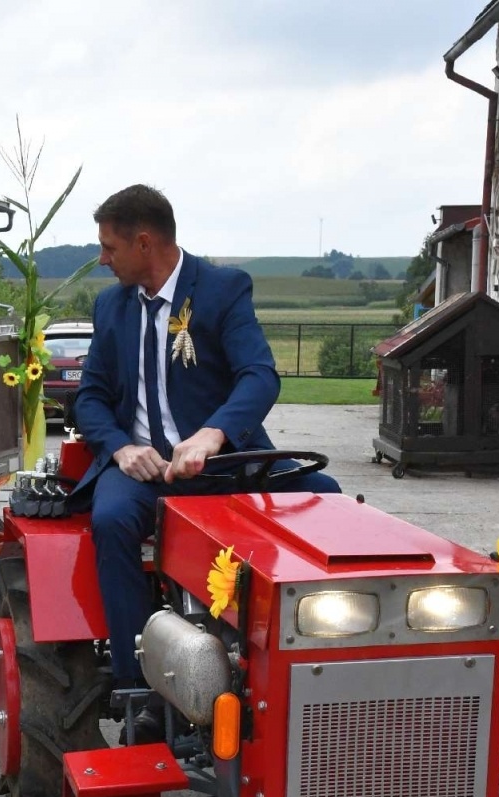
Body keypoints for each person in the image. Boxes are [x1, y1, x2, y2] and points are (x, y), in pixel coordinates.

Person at [71, 184, 341, 708]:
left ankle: (314, 668)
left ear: (145, 242)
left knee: (325, 497)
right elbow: (91, 397)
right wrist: (122, 449)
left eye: (110, 247)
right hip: (145, 475)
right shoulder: (111, 308)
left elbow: (259, 375)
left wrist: (213, 434)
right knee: (110, 521)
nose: (102, 259)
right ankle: (135, 686)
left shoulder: (221, 290)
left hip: (226, 466)